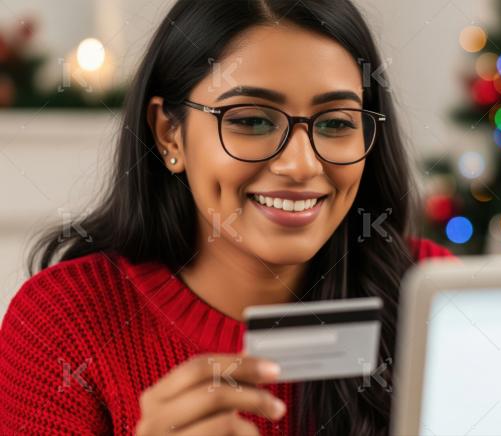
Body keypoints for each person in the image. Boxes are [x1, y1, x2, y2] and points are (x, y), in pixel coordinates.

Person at [0, 0, 454, 434]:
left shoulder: (433, 294)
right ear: (169, 134)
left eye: (336, 123)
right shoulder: (61, 323)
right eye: (252, 120)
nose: (301, 165)